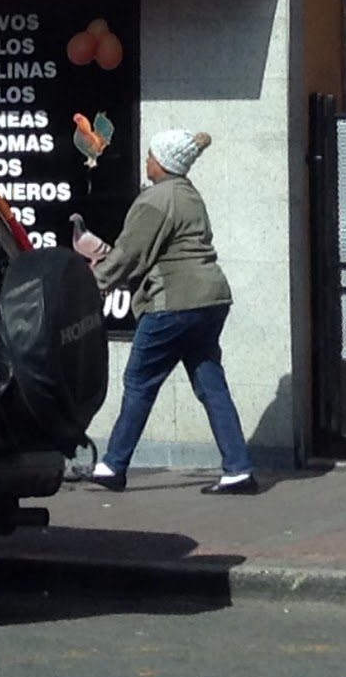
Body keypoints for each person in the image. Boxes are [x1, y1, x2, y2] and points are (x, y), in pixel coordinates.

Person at [77, 129, 258, 496]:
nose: (146, 161)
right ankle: (238, 469)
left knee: (140, 382)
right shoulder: (189, 194)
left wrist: (90, 285)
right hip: (211, 300)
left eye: (150, 156)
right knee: (211, 384)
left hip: (173, 303)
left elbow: (128, 253)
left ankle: (113, 465)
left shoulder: (155, 200)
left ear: (164, 162)